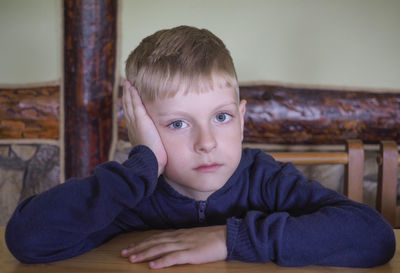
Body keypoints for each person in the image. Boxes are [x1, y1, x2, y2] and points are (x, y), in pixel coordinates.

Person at [6, 25, 395, 269]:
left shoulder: (266, 179)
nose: (206, 142)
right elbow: (27, 240)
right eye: (177, 124)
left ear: (242, 119)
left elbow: (374, 237)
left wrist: (228, 239)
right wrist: (141, 168)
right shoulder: (133, 195)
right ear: (143, 133)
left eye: (222, 117)